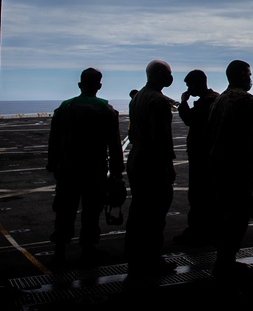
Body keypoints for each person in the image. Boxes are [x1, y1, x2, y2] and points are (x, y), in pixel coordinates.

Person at [46, 68, 124, 266]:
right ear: (99, 86)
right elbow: (115, 145)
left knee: (64, 210)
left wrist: (53, 164)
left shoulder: (64, 108)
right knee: (91, 212)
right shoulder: (106, 110)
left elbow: (53, 139)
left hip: (67, 170)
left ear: (80, 85)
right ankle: (88, 248)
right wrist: (116, 173)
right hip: (94, 170)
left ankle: (59, 250)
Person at [125, 60, 177, 278]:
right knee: (155, 214)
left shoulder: (137, 97)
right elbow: (162, 139)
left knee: (138, 211)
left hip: (137, 157)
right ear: (157, 74)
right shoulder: (159, 101)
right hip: (153, 162)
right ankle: (152, 260)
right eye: (167, 73)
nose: (170, 77)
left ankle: (136, 258)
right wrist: (168, 166)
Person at [208, 60, 253, 281]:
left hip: (219, 165)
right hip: (239, 166)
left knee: (223, 213)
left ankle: (223, 258)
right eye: (248, 75)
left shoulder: (219, 100)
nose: (250, 78)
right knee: (238, 214)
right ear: (239, 75)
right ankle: (227, 261)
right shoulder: (246, 100)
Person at [173, 69, 220, 246]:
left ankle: (198, 230)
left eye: (189, 85)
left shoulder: (206, 102)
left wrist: (183, 102)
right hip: (207, 153)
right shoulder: (213, 99)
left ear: (196, 84)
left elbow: (189, 119)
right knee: (207, 194)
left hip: (201, 154)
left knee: (199, 194)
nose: (188, 89)